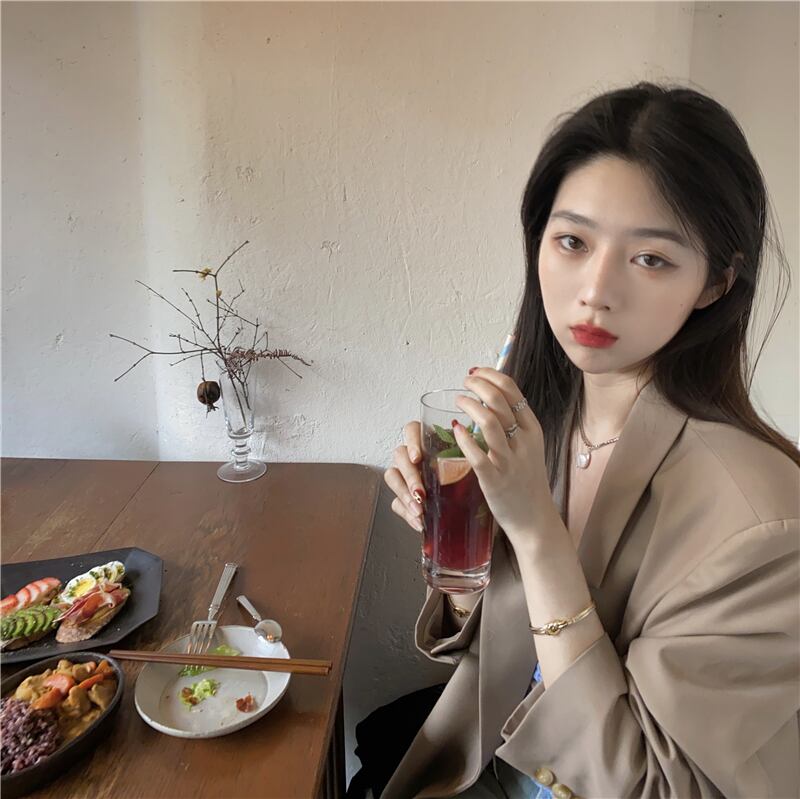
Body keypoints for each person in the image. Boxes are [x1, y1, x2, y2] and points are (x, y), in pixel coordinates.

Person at [379, 81, 799, 798]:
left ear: (715, 284)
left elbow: (649, 787)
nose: (596, 290)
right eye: (572, 241)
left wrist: (536, 534)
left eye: (652, 259)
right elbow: (510, 659)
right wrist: (462, 553)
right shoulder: (544, 416)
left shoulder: (765, 524)